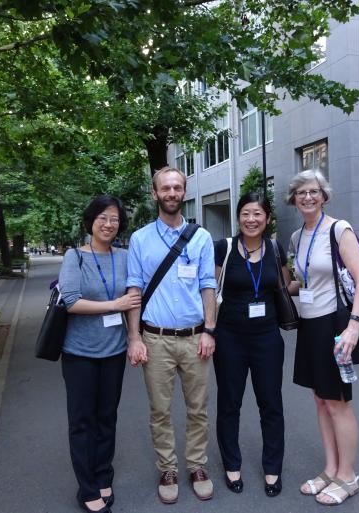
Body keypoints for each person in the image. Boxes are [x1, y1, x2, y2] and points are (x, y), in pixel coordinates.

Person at [126, 166, 217, 505]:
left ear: (184, 192)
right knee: (160, 410)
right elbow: (134, 289)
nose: (172, 193)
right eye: (166, 188)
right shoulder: (140, 239)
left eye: (177, 187)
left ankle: (197, 466)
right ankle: (167, 468)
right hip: (155, 339)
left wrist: (209, 330)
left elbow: (208, 285)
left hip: (195, 338)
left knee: (198, 408)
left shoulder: (202, 237)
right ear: (155, 194)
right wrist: (134, 338)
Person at [285, 170, 359, 505]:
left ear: (324, 195)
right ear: (293, 198)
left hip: (335, 324)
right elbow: (300, 283)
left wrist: (353, 326)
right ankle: (331, 469)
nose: (308, 197)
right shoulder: (296, 237)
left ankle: (348, 477)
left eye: (314, 191)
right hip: (309, 325)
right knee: (321, 400)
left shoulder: (339, 229)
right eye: (301, 192)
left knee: (338, 402)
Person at [58, 195, 142, 513]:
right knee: (82, 421)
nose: (109, 224)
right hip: (79, 352)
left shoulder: (124, 256)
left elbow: (134, 295)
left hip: (113, 351)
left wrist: (134, 336)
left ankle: (104, 473)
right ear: (91, 221)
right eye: (103, 218)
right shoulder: (74, 257)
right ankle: (87, 486)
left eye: (115, 219)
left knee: (107, 417)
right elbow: (70, 300)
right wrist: (113, 305)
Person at [213, 192, 289, 497]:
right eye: (246, 213)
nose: (251, 219)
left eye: (258, 213)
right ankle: (232, 464)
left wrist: (319, 280)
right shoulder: (225, 248)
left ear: (267, 218)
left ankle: (273, 468)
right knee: (229, 403)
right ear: (238, 217)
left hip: (267, 338)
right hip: (229, 337)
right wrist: (207, 330)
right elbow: (210, 290)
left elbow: (285, 286)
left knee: (271, 404)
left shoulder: (274, 248)